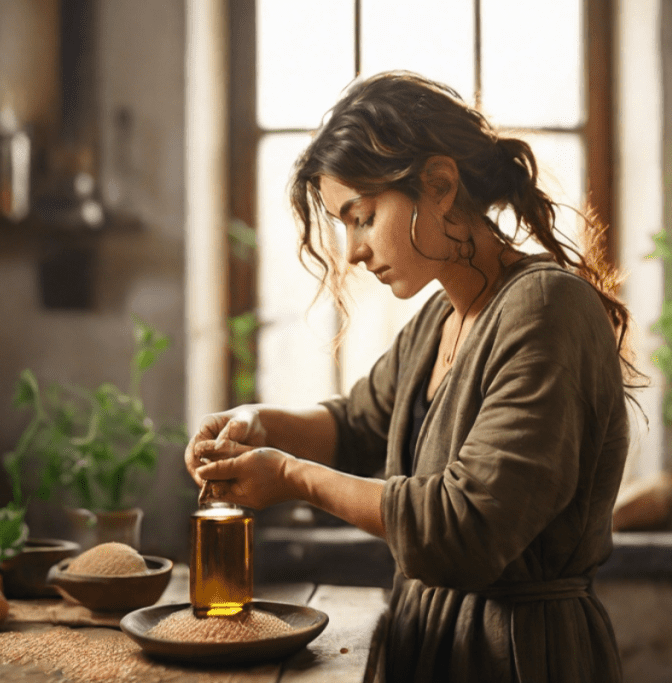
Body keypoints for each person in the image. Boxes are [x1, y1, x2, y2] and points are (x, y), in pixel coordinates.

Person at [185, 71, 643, 682]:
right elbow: (354, 425)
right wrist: (255, 422)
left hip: (520, 655)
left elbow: (469, 526)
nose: (352, 251)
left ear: (440, 185)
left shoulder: (546, 311)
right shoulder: (438, 319)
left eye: (363, 216)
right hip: (428, 644)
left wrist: (291, 476)